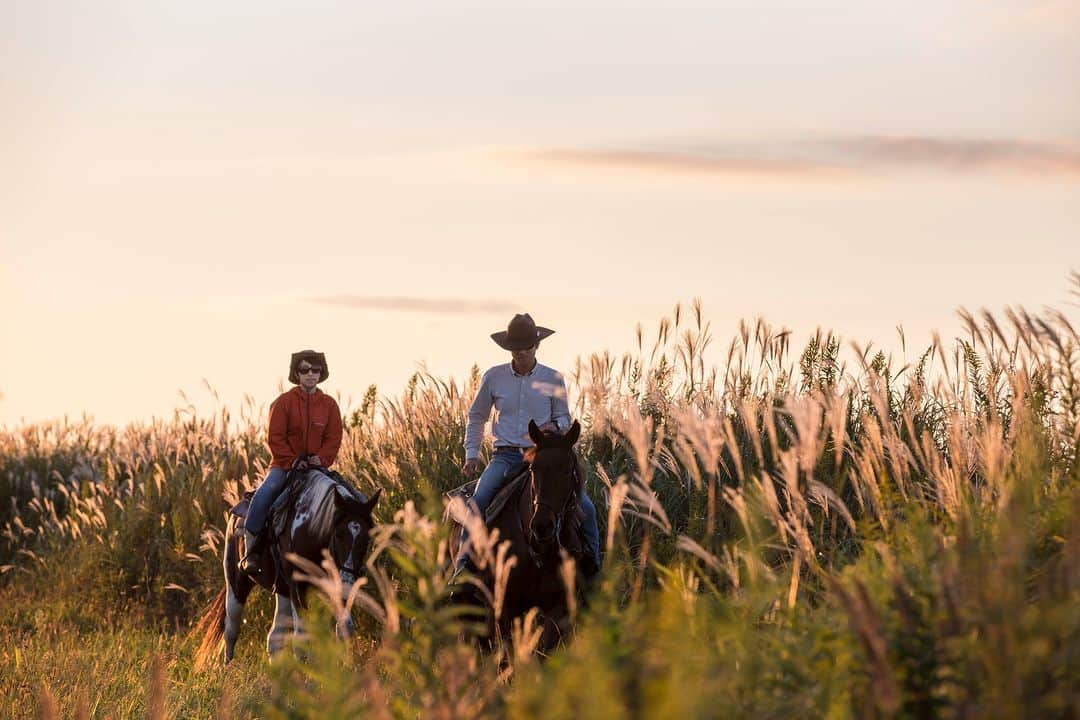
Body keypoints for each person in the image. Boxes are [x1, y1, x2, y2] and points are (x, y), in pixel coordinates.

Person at [457, 313, 601, 576]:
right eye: (516, 348)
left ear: (536, 346)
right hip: (505, 456)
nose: (521, 353)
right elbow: (477, 416)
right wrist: (472, 453)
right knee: (477, 503)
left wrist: (555, 428)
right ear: (509, 348)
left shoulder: (553, 378)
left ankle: (593, 569)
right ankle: (463, 569)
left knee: (587, 509)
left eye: (526, 347)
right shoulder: (493, 377)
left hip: (542, 457)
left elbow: (563, 417)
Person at [240, 349, 343, 576]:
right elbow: (275, 437)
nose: (310, 374)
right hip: (285, 466)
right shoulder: (283, 402)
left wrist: (321, 459)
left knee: (349, 496)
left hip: (318, 467)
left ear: (321, 373)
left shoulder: (330, 405)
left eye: (315, 370)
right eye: (304, 369)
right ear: (296, 374)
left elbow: (334, 437)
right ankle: (250, 551)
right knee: (266, 493)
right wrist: (293, 459)